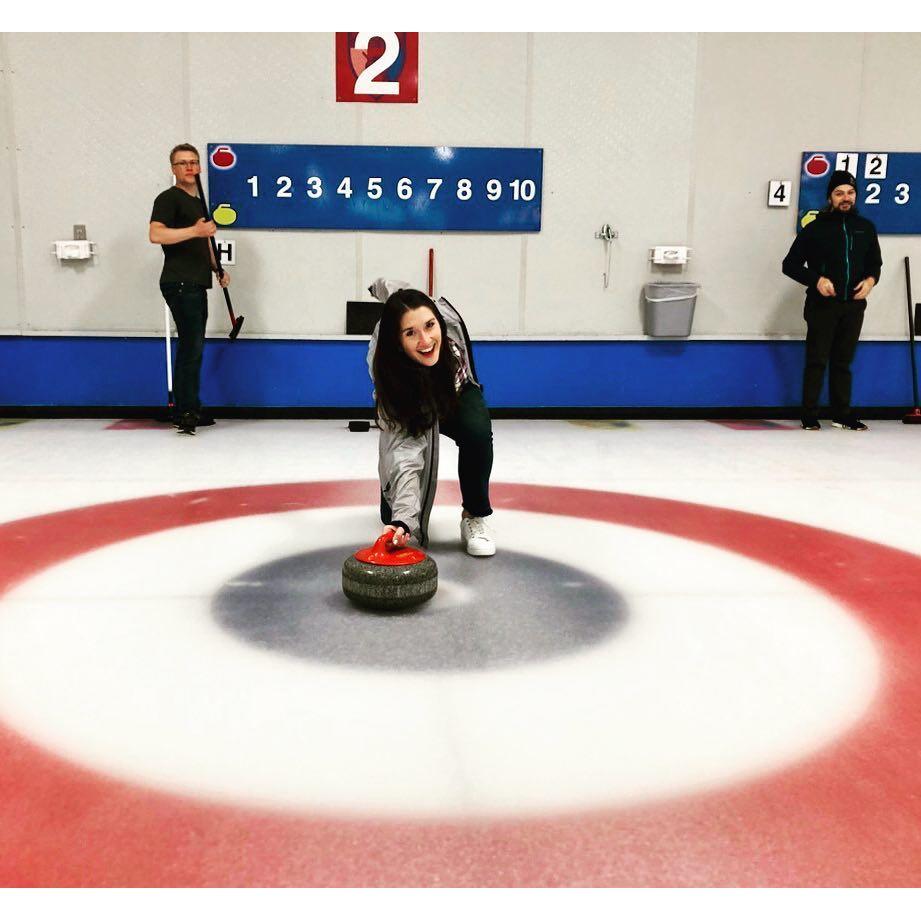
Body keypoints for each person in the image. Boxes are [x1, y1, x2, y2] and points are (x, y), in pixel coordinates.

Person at [366, 279, 495, 556]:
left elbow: (396, 288)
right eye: (410, 333)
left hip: (455, 392)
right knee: (392, 510)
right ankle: (398, 510)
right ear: (397, 341)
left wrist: (380, 286)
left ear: (438, 321)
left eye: (429, 326)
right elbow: (403, 451)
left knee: (476, 430)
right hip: (411, 398)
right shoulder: (391, 377)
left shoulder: (445, 333)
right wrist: (403, 520)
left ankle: (474, 515)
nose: (425, 341)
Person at [782, 169, 882, 431]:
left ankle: (842, 414)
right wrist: (817, 280)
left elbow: (875, 264)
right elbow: (790, 265)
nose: (845, 198)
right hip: (822, 306)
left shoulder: (866, 228)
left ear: (856, 196)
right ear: (830, 198)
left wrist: (871, 281)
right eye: (839, 193)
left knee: (843, 361)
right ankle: (809, 414)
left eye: (850, 193)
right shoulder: (814, 229)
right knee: (817, 359)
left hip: (854, 306)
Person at [149, 143, 230, 435]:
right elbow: (155, 234)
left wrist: (217, 268)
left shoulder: (199, 203)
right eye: (182, 163)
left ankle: (191, 405)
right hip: (179, 281)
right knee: (190, 347)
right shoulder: (169, 198)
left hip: (196, 281)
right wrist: (195, 230)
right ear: (173, 169)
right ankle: (185, 411)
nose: (189, 167)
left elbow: (204, 242)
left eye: (193, 162)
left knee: (193, 346)